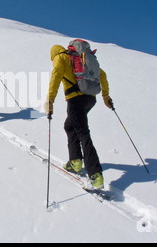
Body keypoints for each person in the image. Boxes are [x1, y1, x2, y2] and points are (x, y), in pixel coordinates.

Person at [44, 41, 114, 189]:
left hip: (75, 99)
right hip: (90, 98)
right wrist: (106, 96)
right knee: (70, 126)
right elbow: (102, 75)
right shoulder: (80, 58)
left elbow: (56, 76)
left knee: (82, 132)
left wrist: (50, 99)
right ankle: (75, 161)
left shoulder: (60, 58)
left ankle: (95, 175)